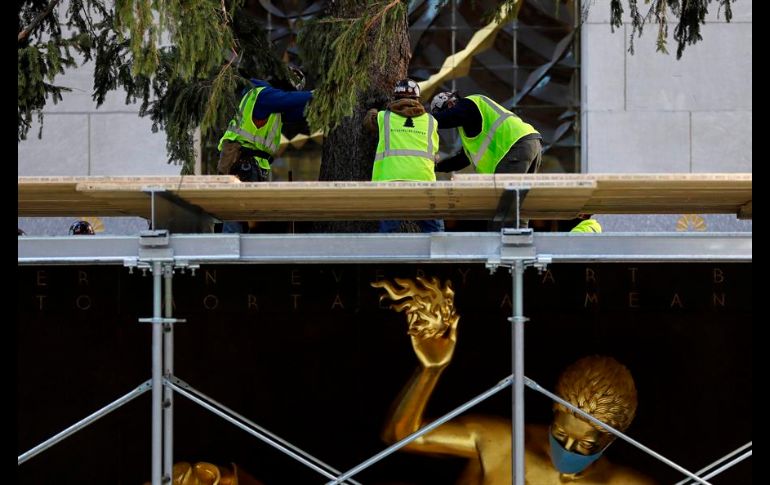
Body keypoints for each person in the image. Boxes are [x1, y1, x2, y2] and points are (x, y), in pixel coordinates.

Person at [372, 276, 656, 485]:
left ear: (610, 439)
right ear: (554, 411)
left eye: (584, 445)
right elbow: (400, 436)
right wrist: (430, 370)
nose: (566, 449)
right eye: (560, 434)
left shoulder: (624, 483)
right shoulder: (501, 442)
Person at [217, 65, 313, 233]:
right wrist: (316, 94)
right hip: (244, 164)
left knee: (242, 220)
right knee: (238, 219)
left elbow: (297, 111)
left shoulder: (270, 104)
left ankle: (231, 247)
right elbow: (289, 100)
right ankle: (229, 249)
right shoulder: (263, 95)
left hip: (248, 164)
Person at [364, 79, 443, 233]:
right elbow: (434, 151)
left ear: (395, 98)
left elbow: (368, 122)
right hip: (424, 181)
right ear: (417, 99)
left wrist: (373, 109)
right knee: (435, 231)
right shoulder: (431, 121)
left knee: (388, 231)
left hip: (392, 181)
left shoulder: (384, 117)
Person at [429, 91, 542, 175]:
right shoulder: (469, 125)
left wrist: (422, 120)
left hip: (516, 146)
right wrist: (435, 167)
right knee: (517, 197)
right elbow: (462, 160)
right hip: (527, 145)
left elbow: (446, 118)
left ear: (450, 105)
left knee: (503, 195)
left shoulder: (469, 104)